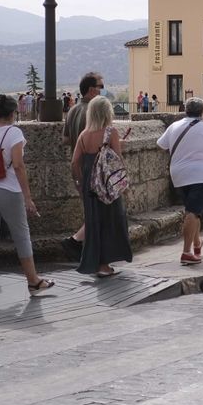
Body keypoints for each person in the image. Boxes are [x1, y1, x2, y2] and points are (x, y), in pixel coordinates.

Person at [0, 94, 54, 306]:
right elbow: (18, 165)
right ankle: (33, 281)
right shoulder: (14, 133)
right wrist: (27, 197)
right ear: (12, 113)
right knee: (21, 236)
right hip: (8, 190)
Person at [161, 97, 203, 265]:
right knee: (192, 213)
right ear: (202, 113)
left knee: (193, 211)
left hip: (178, 174)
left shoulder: (174, 126)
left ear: (186, 110)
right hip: (199, 175)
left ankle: (197, 244)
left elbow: (162, 145)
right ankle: (186, 252)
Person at [73, 96, 133, 277]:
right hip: (107, 186)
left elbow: (74, 162)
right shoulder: (110, 132)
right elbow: (118, 159)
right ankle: (104, 265)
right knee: (111, 221)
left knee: (94, 223)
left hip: (89, 186)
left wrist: (80, 182)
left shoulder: (83, 135)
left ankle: (93, 262)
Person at [60, 72, 105, 258]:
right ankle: (76, 241)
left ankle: (87, 248)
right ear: (91, 89)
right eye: (100, 87)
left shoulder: (73, 110)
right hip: (95, 167)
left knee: (91, 210)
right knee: (100, 211)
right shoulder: (94, 112)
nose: (102, 90)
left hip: (78, 168)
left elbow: (65, 139)